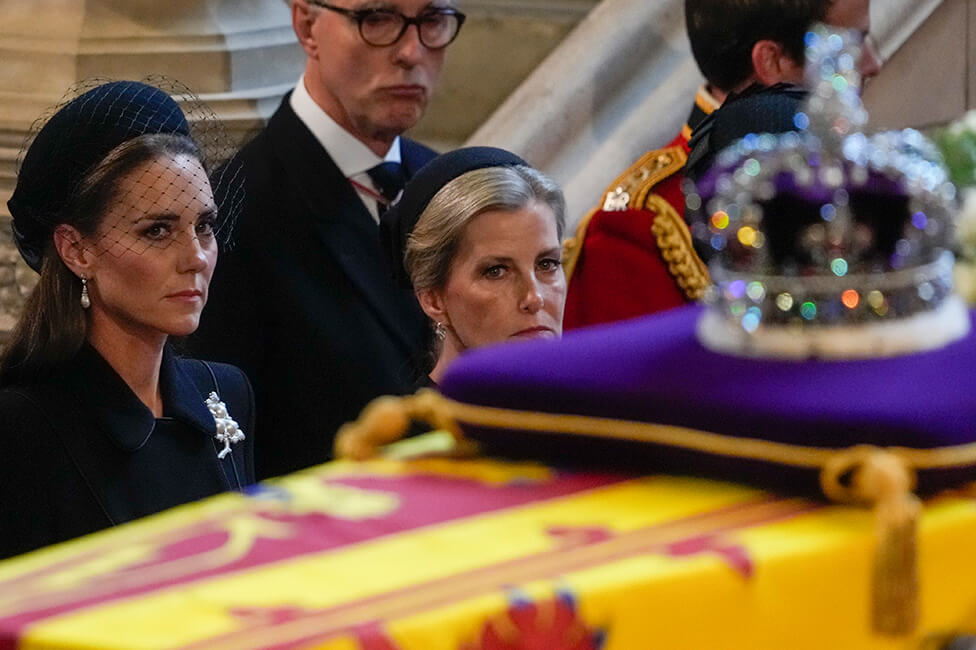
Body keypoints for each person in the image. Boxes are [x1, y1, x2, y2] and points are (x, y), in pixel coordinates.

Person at [190, 0, 466, 479]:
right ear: (307, 25)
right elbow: (223, 455)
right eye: (377, 19)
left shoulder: (449, 184)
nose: (410, 51)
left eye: (432, 20)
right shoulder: (233, 214)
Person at [0, 80, 255, 560]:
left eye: (204, 226)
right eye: (157, 231)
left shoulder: (226, 394)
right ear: (76, 249)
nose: (196, 257)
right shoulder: (22, 427)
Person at [562, 0, 881, 330]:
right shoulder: (641, 228)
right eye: (852, 46)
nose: (874, 64)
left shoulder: (867, 174)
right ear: (771, 61)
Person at [381, 147, 567, 385]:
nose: (534, 297)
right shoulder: (409, 422)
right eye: (496, 271)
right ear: (433, 299)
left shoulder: (602, 415)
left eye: (547, 264)